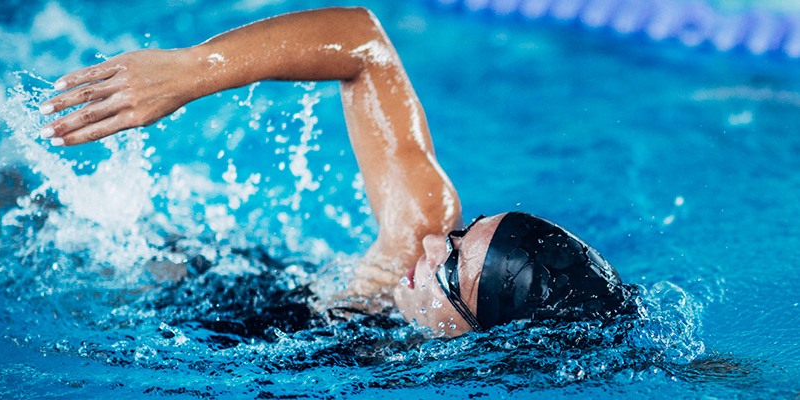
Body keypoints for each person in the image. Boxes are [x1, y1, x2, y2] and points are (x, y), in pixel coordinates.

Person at [38, 7, 630, 337]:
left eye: (451, 270)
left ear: (484, 340)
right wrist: (192, 72)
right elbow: (361, 43)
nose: (428, 243)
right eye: (459, 236)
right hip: (181, 275)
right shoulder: (409, 250)